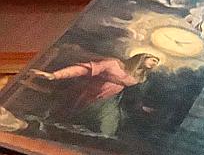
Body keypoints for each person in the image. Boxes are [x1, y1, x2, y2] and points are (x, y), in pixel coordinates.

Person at [29, 53, 160, 137]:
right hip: (86, 94)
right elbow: (83, 69)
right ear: (142, 57)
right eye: (153, 59)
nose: (154, 63)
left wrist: (141, 108)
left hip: (108, 103)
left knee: (107, 129)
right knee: (61, 116)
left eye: (156, 62)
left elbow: (133, 97)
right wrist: (54, 75)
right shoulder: (113, 64)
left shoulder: (139, 79)